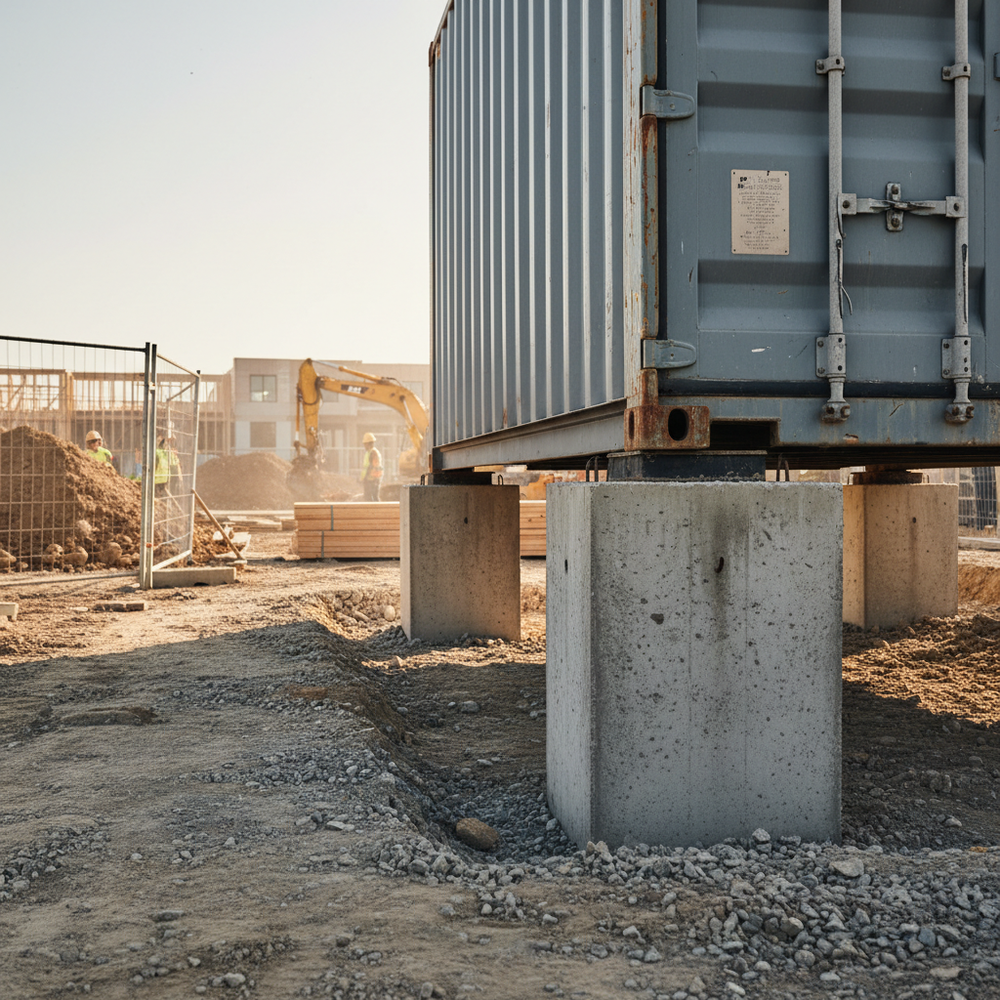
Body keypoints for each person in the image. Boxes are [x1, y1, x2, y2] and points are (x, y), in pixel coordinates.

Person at [360, 432, 382, 502]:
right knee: (372, 497)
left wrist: (365, 477)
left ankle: (375, 512)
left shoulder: (373, 453)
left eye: (365, 444)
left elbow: (371, 467)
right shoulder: (369, 452)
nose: (364, 446)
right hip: (372, 478)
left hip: (372, 479)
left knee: (371, 497)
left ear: (368, 443)